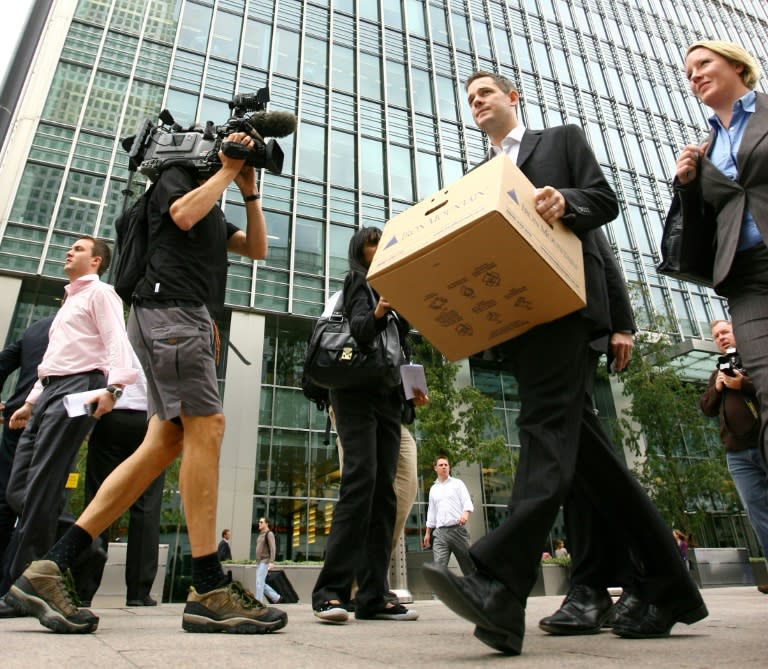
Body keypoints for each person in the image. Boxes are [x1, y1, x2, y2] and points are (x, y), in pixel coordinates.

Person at [422, 71, 706, 655]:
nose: (476, 103)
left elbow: (603, 205)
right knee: (594, 465)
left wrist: (566, 202)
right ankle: (670, 586)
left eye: (486, 94)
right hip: (521, 321)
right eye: (469, 98)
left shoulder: (560, 141)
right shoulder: (481, 178)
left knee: (544, 432)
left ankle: (500, 583)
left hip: (569, 306)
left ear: (512, 98)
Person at [6, 130, 287, 636]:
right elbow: (181, 215)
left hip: (182, 316)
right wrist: (225, 169)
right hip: (172, 312)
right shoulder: (173, 179)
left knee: (163, 442)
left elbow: (257, 247)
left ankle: (50, 567)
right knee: (208, 428)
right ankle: (208, 586)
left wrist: (248, 188)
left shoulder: (212, 201)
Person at [0, 237, 137, 618]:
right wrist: (28, 403)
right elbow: (52, 360)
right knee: (19, 488)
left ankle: (22, 587)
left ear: (95, 261)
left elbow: (116, 340)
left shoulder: (101, 293)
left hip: (80, 387)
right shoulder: (69, 302)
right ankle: (86, 545)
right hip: (49, 391)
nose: (68, 251)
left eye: (77, 249)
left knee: (43, 484)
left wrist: (114, 387)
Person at [311, 226, 418, 624]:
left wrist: (412, 390)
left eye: (384, 241)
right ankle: (331, 592)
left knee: (384, 493)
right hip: (354, 393)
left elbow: (399, 350)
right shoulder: (358, 281)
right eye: (373, 244)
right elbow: (359, 331)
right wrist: (378, 310)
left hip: (388, 398)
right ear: (362, 251)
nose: (381, 248)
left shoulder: (396, 287)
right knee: (360, 482)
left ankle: (374, 595)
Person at [538, 231, 639, 635]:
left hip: (578, 326)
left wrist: (623, 325)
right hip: (540, 335)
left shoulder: (554, 171)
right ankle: (608, 583)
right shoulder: (504, 168)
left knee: (582, 459)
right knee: (581, 461)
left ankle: (611, 582)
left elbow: (601, 252)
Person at [674, 41, 768, 467]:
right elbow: (704, 221)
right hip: (745, 276)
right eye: (688, 72)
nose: (694, 75)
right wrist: (688, 184)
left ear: (736, 65)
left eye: (703, 63)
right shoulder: (706, 149)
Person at [74, 359, 164, 608]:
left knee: (98, 499)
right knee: (146, 505)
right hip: (149, 421)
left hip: (113, 416)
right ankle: (139, 592)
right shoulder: (161, 335)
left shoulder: (119, 335)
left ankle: (83, 588)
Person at [700, 319, 768, 577]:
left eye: (725, 332)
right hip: (737, 453)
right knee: (758, 513)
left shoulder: (756, 360)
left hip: (762, 443)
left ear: (737, 332)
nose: (721, 338)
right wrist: (717, 388)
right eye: (716, 335)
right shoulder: (716, 372)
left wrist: (744, 384)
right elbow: (706, 408)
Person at [0, 315, 55, 617]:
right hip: (51, 416)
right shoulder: (82, 322)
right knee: (39, 499)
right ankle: (18, 582)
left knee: (6, 499)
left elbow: (3, 362)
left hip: (16, 415)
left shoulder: (35, 328)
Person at [423, 454, 475, 576]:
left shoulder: (458, 484)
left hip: (458, 531)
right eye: (441, 465)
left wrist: (466, 514)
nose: (444, 467)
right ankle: (438, 595)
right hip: (440, 534)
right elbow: (432, 512)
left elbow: (466, 501)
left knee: (469, 566)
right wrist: (427, 533)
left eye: (446, 465)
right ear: (435, 468)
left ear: (449, 467)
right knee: (439, 568)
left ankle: (476, 592)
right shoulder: (433, 489)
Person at [254, 518, 280, 604]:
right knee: (260, 582)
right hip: (259, 562)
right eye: (259, 522)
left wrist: (271, 561)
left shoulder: (269, 534)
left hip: (265, 561)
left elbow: (273, 548)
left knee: (259, 583)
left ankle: (258, 602)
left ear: (266, 524)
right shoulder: (261, 534)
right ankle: (276, 597)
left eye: (261, 522)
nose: (259, 523)